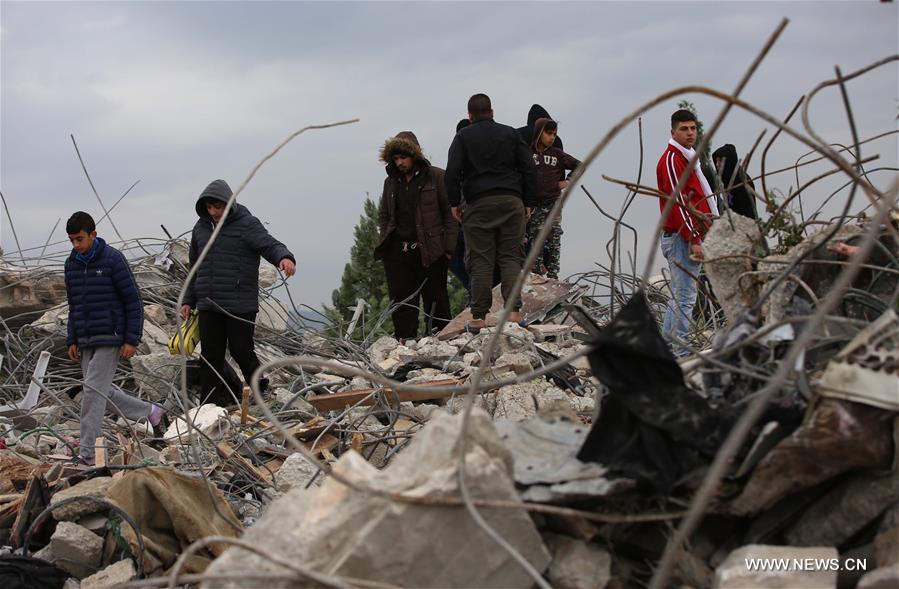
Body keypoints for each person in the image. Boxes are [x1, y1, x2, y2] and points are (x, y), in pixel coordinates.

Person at [182, 180, 296, 405]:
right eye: (209, 207)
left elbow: (269, 244)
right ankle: (210, 402)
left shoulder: (246, 224)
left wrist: (284, 257)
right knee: (210, 354)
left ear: (229, 204)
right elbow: (194, 267)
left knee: (240, 349)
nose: (214, 212)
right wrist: (188, 299)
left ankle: (259, 388)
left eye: (218, 207)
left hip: (239, 302)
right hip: (208, 302)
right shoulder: (201, 228)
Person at [64, 211, 165, 465]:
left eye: (80, 239)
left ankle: (87, 453)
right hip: (86, 338)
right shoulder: (71, 264)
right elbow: (73, 305)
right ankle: (150, 412)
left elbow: (133, 300)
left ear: (93, 235)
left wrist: (132, 339)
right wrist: (72, 339)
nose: (76, 245)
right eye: (72, 240)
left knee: (92, 392)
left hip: (111, 336)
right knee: (99, 391)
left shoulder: (113, 260)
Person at [445, 93, 537, 333]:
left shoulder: (463, 136)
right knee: (510, 258)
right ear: (492, 112)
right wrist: (527, 201)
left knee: (481, 261)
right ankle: (514, 314)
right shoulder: (511, 133)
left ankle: (478, 318)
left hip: (478, 205)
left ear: (469, 115)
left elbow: (452, 172)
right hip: (511, 201)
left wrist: (454, 203)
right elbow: (529, 167)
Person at [374, 131, 458, 340]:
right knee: (402, 303)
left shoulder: (437, 177)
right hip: (397, 251)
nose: (400, 162)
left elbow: (450, 215)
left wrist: (448, 249)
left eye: (403, 157)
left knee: (436, 302)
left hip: (430, 251)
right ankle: (404, 346)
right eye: (396, 158)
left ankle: (439, 345)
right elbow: (385, 215)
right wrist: (385, 241)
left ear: (414, 155)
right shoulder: (391, 182)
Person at [656, 109, 716, 356]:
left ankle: (670, 348)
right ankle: (678, 352)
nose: (690, 133)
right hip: (682, 237)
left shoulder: (689, 158)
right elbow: (678, 201)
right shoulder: (672, 159)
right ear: (673, 132)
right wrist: (693, 238)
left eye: (693, 128)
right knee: (685, 297)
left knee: (682, 296)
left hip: (691, 235)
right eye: (684, 129)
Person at [527, 118, 581, 279]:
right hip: (534, 204)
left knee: (554, 238)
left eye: (554, 134)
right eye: (548, 133)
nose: (551, 137)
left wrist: (568, 181)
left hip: (553, 203)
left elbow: (580, 165)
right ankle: (536, 274)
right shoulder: (527, 153)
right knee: (536, 239)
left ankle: (554, 275)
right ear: (538, 133)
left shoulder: (557, 154)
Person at [712, 144, 759, 220]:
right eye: (716, 161)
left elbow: (747, 212)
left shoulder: (742, 181)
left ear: (728, 161)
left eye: (720, 160)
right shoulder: (727, 181)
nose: (717, 164)